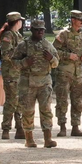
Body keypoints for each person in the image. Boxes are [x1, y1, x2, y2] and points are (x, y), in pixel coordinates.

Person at [13, 19, 59, 148]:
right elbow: (13, 63)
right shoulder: (23, 45)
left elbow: (56, 63)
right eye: (37, 29)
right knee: (28, 111)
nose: (40, 32)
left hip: (44, 82)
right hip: (27, 83)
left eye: (42, 30)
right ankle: (29, 139)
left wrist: (52, 59)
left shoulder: (48, 45)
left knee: (46, 110)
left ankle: (48, 138)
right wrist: (24, 62)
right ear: (32, 30)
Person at [53, 9, 82, 137]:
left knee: (77, 101)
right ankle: (62, 127)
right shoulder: (63, 34)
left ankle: (75, 126)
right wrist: (68, 55)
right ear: (73, 20)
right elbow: (53, 51)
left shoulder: (81, 36)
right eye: (80, 20)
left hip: (78, 73)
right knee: (62, 100)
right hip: (64, 73)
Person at [0, 11, 25, 140]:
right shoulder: (8, 35)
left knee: (19, 101)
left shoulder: (18, 35)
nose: (22, 22)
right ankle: (6, 128)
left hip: (18, 73)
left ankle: (20, 128)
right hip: (10, 73)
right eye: (20, 20)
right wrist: (19, 56)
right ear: (16, 22)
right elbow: (6, 54)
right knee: (11, 101)